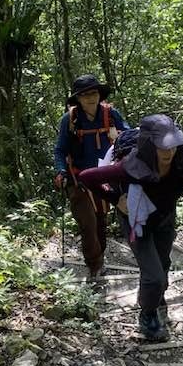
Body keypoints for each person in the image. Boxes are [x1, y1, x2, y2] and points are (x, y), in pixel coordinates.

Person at [77, 114, 183, 341]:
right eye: (163, 147)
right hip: (137, 221)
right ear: (149, 146)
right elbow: (87, 177)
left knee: (162, 265)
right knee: (153, 276)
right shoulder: (129, 166)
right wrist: (116, 199)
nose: (169, 152)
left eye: (172, 145)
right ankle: (148, 316)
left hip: (165, 218)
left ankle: (155, 298)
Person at [54, 74, 129, 278]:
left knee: (100, 220)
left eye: (93, 93)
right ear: (78, 98)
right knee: (87, 223)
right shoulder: (69, 120)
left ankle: (99, 258)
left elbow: (130, 138)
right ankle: (94, 265)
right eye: (85, 95)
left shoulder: (111, 114)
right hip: (77, 178)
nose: (90, 98)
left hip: (104, 177)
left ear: (99, 94)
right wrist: (61, 171)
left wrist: (122, 138)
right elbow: (60, 150)